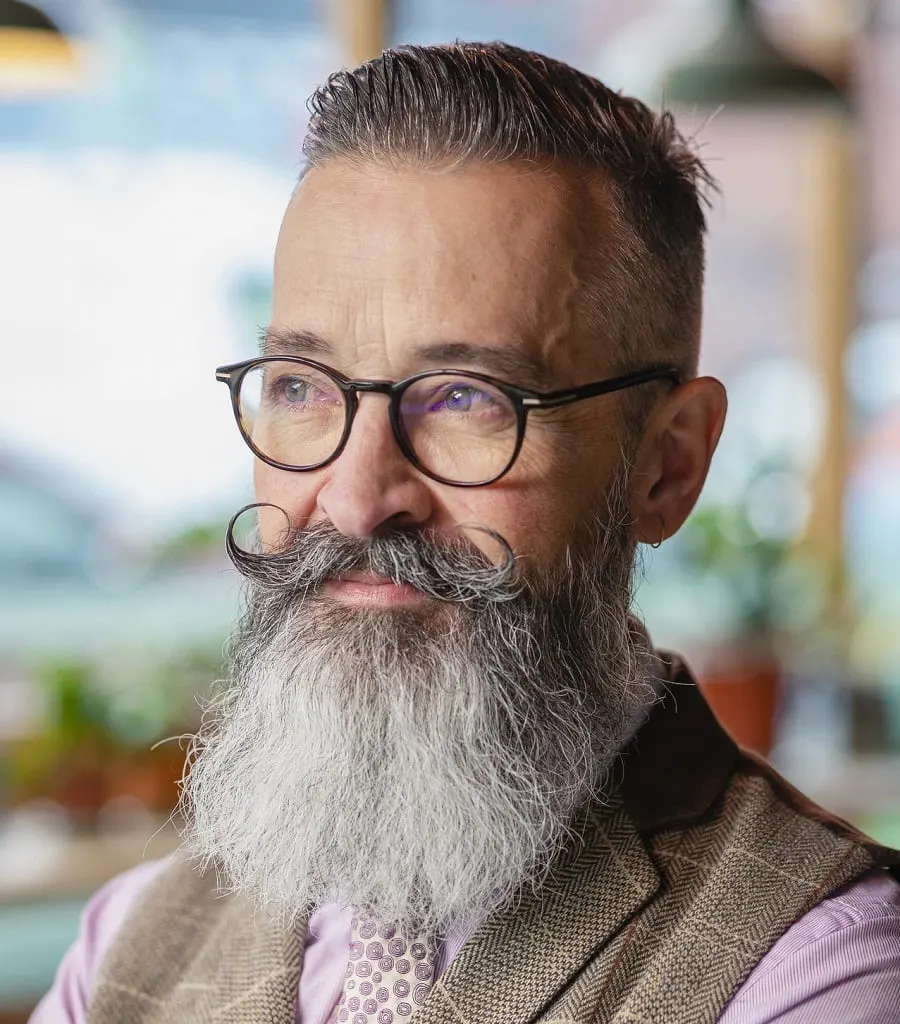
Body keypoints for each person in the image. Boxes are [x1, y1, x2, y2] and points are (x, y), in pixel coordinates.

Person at [33, 42, 900, 1024]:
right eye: (301, 389)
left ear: (669, 464)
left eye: (463, 397)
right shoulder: (128, 945)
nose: (357, 498)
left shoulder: (819, 970)